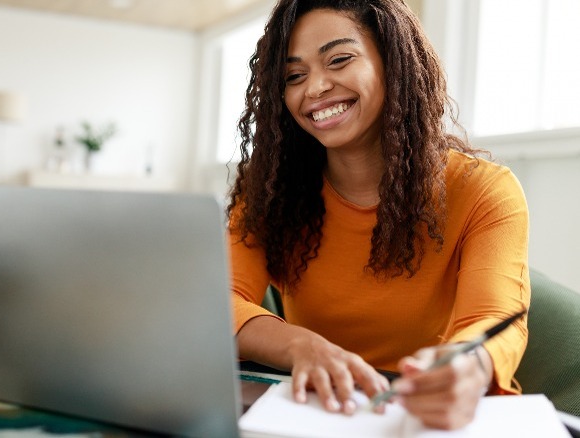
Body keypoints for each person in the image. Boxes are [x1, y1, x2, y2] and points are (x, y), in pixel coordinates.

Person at [227, 0, 530, 430]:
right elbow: (218, 304)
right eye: (294, 76)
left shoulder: (485, 191)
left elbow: (494, 321)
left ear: (393, 62)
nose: (314, 89)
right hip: (312, 412)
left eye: (339, 59)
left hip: (419, 416)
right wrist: (300, 346)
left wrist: (472, 366)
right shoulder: (270, 193)